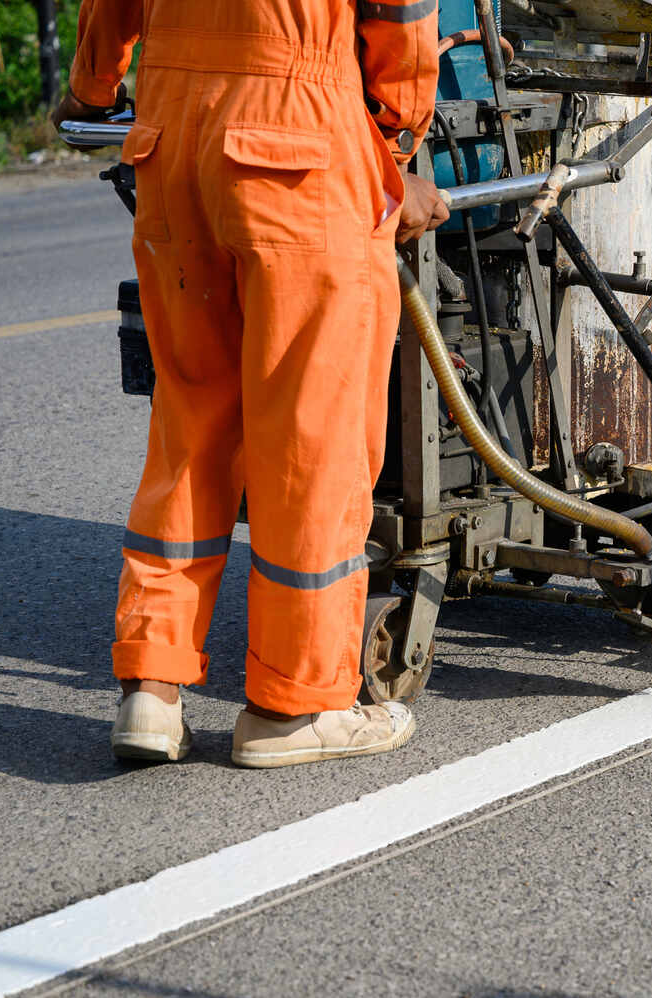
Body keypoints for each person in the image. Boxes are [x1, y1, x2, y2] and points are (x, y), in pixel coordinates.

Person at [52, 0, 451, 768]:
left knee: (190, 419)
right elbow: (401, 17)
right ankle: (294, 707)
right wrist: (397, 152)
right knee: (313, 439)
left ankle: (152, 684)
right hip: (299, 145)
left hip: (172, 141)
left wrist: (93, 89)